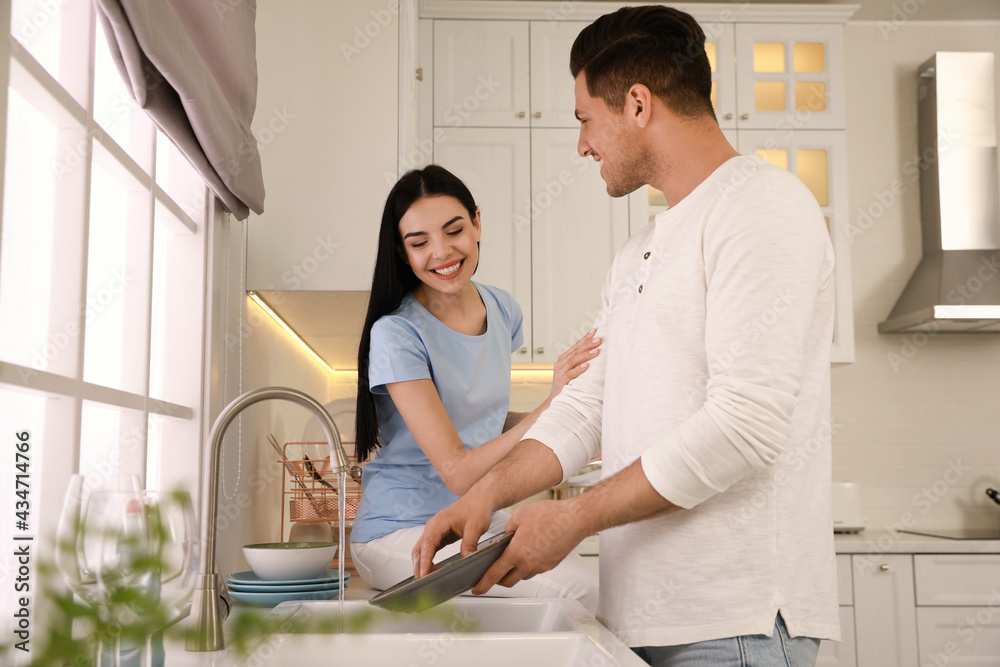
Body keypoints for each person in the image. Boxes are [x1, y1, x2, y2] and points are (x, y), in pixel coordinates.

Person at [414, 6, 840, 666]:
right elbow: (586, 409)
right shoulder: (640, 251)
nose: (582, 144)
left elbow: (745, 423)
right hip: (642, 619)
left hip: (735, 624)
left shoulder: (762, 206)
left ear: (637, 104)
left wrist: (572, 518)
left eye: (585, 118)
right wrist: (486, 495)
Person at [350, 164, 599, 613]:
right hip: (399, 532)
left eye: (454, 231)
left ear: (477, 224)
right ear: (402, 252)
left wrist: (571, 422)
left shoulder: (502, 308)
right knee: (577, 590)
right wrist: (552, 403)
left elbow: (486, 424)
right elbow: (458, 470)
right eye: (420, 242)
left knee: (593, 582)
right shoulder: (397, 333)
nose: (442, 252)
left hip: (475, 517)